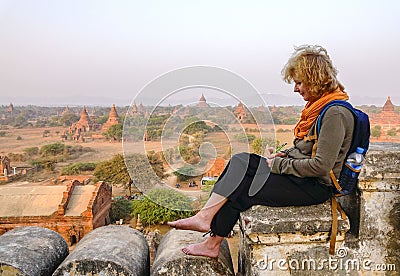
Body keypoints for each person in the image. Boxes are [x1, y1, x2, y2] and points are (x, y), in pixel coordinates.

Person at [168, 45, 354, 258]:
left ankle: (212, 243)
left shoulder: (335, 113)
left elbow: (322, 165)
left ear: (315, 79)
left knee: (245, 186)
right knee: (241, 162)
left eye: (299, 82)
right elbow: (307, 150)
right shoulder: (320, 109)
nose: (296, 89)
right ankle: (205, 216)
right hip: (300, 177)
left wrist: (278, 165)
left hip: (315, 186)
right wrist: (283, 155)